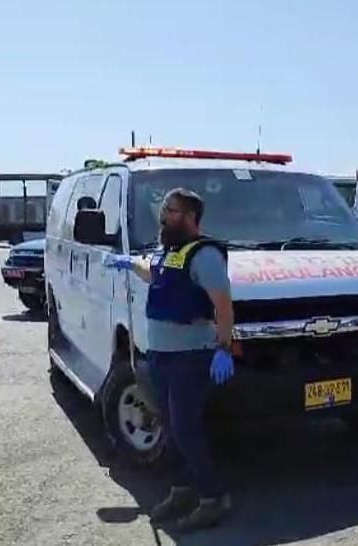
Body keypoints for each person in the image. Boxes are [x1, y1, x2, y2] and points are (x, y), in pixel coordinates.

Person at [103, 187, 235, 531]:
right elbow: (153, 271)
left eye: (172, 211)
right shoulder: (170, 252)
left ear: (191, 217)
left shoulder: (204, 255)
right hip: (162, 356)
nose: (163, 216)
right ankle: (182, 491)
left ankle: (213, 498)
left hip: (191, 358)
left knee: (187, 430)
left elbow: (223, 305)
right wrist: (129, 263)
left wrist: (223, 349)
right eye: (164, 210)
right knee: (173, 431)